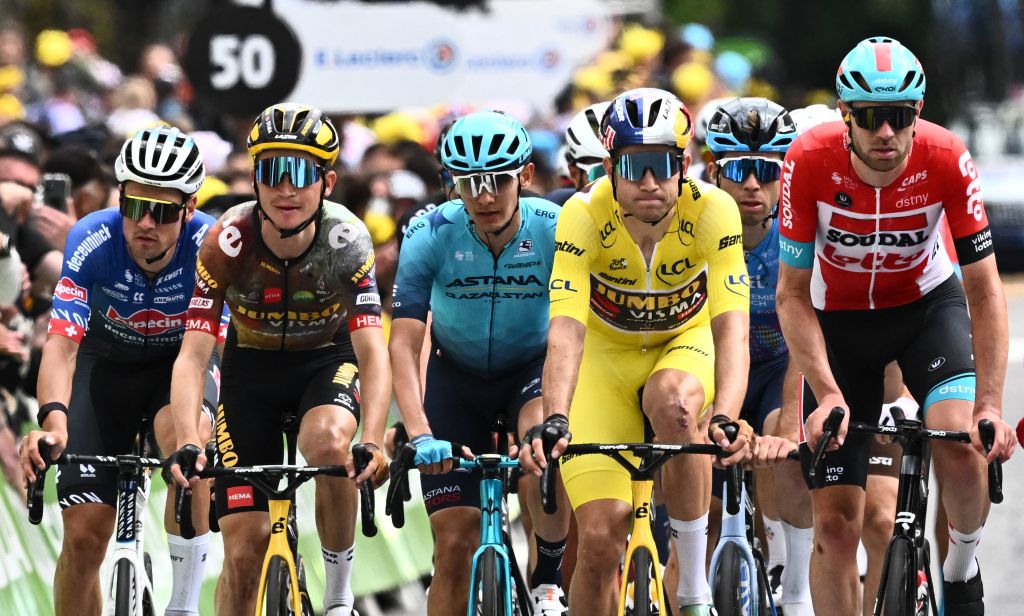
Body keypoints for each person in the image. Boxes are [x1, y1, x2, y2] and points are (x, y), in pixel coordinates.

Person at [777, 36, 1017, 616]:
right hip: (839, 325)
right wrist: (828, 391)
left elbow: (985, 289)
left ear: (919, 112)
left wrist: (989, 404)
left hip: (924, 311)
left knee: (960, 445)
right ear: (845, 115)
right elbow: (790, 295)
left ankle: (961, 565)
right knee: (835, 526)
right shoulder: (807, 160)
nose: (886, 132)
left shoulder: (946, 155)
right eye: (869, 117)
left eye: (900, 116)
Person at [519, 87, 762, 615]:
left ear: (685, 163)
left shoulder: (716, 210)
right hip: (604, 361)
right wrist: (555, 415)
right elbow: (565, 331)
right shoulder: (581, 215)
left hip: (684, 344)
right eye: (634, 166)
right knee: (602, 538)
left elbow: (731, 331)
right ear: (609, 166)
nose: (649, 182)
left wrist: (725, 417)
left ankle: (693, 588)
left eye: (663, 165)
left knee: (675, 402)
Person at [166, 103, 391, 616]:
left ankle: (338, 597)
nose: (285, 189)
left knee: (329, 442)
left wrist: (373, 440)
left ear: (327, 182)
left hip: (324, 362)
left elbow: (373, 353)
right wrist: (185, 441)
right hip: (251, 372)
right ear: (254, 179)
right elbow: (193, 355)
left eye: (300, 173)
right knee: (244, 549)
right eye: (271, 172)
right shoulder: (227, 241)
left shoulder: (348, 241)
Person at [19, 126, 220, 616]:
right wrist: (53, 420)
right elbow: (63, 346)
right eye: (134, 205)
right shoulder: (92, 238)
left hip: (179, 369)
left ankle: (183, 605)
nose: (145, 223)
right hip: (103, 371)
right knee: (85, 539)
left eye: (164, 211)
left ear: (189, 209)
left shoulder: (212, 244)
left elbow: (211, 353)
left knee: (188, 446)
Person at [390, 110, 570, 616]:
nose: (484, 196)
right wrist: (419, 431)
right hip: (456, 379)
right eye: (469, 184)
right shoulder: (429, 231)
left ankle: (548, 580)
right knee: (453, 545)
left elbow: (571, 329)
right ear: (453, 185)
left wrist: (559, 413)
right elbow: (404, 343)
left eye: (498, 181)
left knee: (543, 446)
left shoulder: (556, 228)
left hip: (531, 371)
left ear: (526, 177)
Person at [702, 97, 811, 615]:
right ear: (712, 172)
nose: (752, 185)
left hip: (776, 366)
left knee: (785, 451)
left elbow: (807, 338)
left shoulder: (800, 231)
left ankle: (794, 589)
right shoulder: (692, 228)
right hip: (711, 363)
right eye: (739, 170)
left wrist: (789, 425)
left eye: (767, 171)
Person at [545, 101, 610, 205]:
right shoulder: (555, 210)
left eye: (627, 169)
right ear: (575, 175)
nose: (616, 183)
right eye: (601, 173)